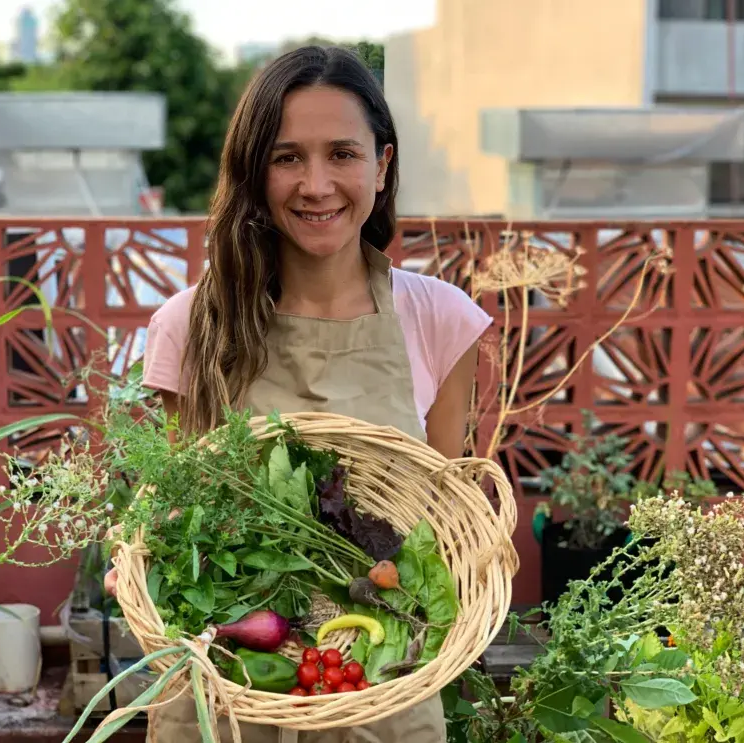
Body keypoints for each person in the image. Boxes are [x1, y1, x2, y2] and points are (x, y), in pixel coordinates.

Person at [105, 45, 492, 742]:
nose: (316, 185)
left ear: (384, 163)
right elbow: (179, 512)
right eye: (287, 158)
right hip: (230, 688)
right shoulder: (194, 325)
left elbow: (442, 525)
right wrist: (140, 553)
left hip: (380, 685)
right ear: (255, 172)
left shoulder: (439, 319)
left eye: (342, 153)